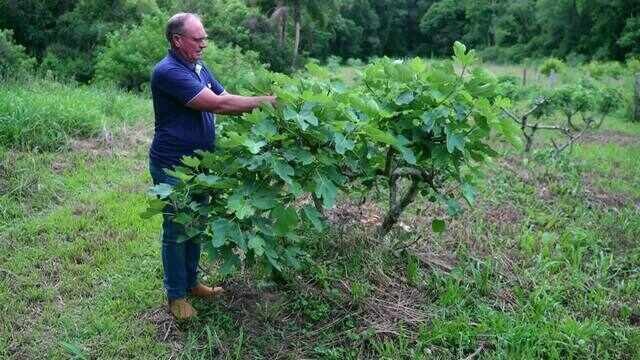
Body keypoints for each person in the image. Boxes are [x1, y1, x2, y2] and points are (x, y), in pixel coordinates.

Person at [149, 12, 276, 320]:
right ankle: (176, 296)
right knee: (177, 228)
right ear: (177, 41)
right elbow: (217, 105)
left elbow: (225, 95)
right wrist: (266, 102)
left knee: (195, 225)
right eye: (198, 39)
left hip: (201, 163)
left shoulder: (198, 66)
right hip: (173, 165)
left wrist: (261, 106)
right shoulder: (168, 72)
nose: (204, 44)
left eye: (205, 38)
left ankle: (191, 283)